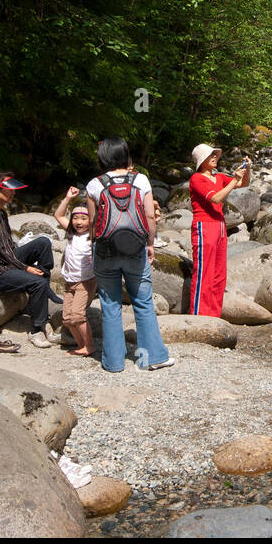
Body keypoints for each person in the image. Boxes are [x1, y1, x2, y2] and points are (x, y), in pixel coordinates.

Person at [86, 138, 173, 371]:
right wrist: (150, 243)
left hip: (105, 250)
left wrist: (94, 248)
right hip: (135, 249)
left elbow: (94, 222)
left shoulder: (95, 184)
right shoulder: (141, 180)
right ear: (125, 155)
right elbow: (149, 217)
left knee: (110, 304)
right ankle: (152, 358)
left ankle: (114, 363)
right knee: (143, 303)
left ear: (103, 157)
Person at [0, 171, 63, 349]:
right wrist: (25, 268)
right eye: (9, 190)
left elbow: (8, 246)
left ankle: (43, 291)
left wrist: (24, 263)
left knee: (42, 243)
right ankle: (37, 329)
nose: (13, 193)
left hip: (3, 261)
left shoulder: (0, 213)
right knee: (37, 282)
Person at [187, 143, 249, 318]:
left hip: (220, 227)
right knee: (204, 273)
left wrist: (247, 169)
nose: (214, 157)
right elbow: (215, 198)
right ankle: (199, 315)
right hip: (204, 226)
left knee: (219, 274)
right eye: (210, 155)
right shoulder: (197, 179)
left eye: (215, 154)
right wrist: (234, 180)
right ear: (201, 161)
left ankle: (214, 316)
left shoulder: (219, 177)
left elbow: (244, 184)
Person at [53, 187, 97, 356]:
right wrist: (68, 198)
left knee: (77, 316)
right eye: (76, 218)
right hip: (69, 281)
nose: (79, 222)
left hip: (85, 281)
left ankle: (90, 345)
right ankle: (81, 346)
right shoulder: (71, 233)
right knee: (67, 319)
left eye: (84, 218)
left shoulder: (92, 235)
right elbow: (58, 215)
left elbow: (95, 221)